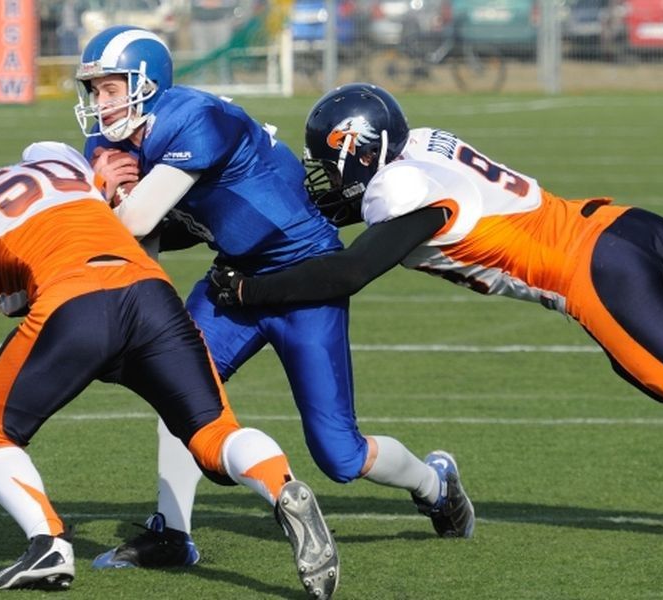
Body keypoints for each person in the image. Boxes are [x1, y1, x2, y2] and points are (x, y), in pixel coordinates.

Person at [210, 82, 663, 467]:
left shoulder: (400, 190)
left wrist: (248, 290)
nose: (327, 178)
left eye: (330, 164)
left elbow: (350, 271)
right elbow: (370, 203)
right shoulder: (423, 144)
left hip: (598, 274)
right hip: (628, 227)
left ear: (360, 151)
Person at [72, 26, 475, 570]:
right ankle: (171, 531)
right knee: (177, 379)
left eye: (110, 88)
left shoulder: (194, 117)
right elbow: (145, 251)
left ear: (146, 82)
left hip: (303, 278)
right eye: (93, 90)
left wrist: (102, 197)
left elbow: (137, 220)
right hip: (233, 279)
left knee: (341, 454)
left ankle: (435, 483)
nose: (100, 102)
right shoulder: (109, 145)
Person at [0, 141, 338, 599]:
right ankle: (281, 486)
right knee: (213, 433)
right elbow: (106, 192)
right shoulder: (59, 165)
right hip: (151, 293)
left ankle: (47, 543)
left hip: (75, 301)